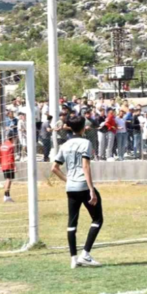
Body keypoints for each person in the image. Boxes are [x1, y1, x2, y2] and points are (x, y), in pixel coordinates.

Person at [51, 115, 104, 268]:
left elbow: (54, 168)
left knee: (72, 222)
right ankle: (85, 254)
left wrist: (68, 180)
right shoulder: (85, 143)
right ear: (82, 128)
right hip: (83, 186)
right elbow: (85, 166)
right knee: (97, 219)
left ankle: (73, 259)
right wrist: (91, 189)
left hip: (71, 188)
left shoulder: (65, 145)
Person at [0, 132, 16, 203]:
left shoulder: (2, 145)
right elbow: (11, 157)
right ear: (12, 138)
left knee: (7, 179)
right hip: (9, 164)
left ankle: (7, 196)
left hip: (3, 164)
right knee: (9, 180)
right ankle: (6, 196)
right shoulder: (11, 146)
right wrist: (14, 166)